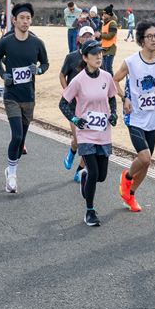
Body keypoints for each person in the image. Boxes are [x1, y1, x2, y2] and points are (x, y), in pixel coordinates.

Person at [59, 40, 118, 226]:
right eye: (94, 54)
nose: (99, 56)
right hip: (85, 134)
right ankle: (90, 211)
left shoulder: (107, 77)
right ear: (85, 58)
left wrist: (114, 114)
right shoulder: (78, 80)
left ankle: (84, 175)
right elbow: (63, 103)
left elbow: (112, 97)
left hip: (103, 133)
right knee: (94, 172)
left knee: (101, 176)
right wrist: (75, 120)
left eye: (100, 53)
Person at [113, 20, 155, 212]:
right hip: (134, 117)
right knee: (144, 158)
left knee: (146, 164)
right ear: (141, 40)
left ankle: (130, 195)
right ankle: (127, 177)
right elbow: (115, 81)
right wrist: (125, 98)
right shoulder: (131, 62)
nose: (154, 39)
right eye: (150, 36)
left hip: (152, 120)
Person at [0, 2, 49, 192]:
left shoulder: (37, 43)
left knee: (21, 139)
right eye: (22, 18)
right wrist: (3, 74)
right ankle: (12, 174)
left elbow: (45, 64)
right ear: (14, 20)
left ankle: (11, 169)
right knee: (16, 135)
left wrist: (38, 70)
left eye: (28, 18)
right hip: (11, 95)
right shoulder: (7, 41)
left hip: (29, 97)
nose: (25, 21)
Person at [60, 26, 95, 182]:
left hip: (91, 107)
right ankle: (72, 151)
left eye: (90, 36)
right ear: (79, 39)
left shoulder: (97, 58)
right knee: (79, 140)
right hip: (74, 107)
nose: (87, 38)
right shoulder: (71, 57)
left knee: (88, 142)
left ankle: (79, 171)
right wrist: (67, 91)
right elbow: (62, 75)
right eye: (84, 36)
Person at [99, 4, 118, 75]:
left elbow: (110, 36)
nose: (103, 15)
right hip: (104, 48)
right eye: (103, 13)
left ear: (109, 14)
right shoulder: (104, 23)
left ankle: (112, 81)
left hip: (110, 48)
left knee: (108, 68)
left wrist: (100, 35)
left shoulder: (112, 23)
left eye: (105, 14)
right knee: (104, 68)